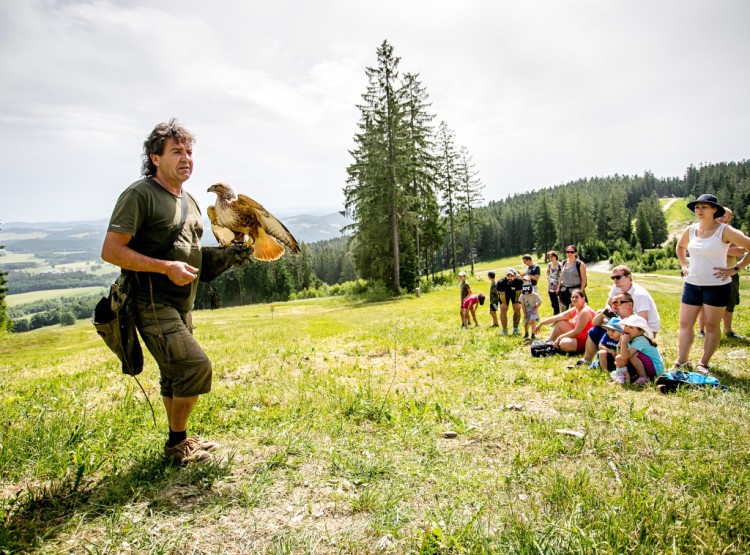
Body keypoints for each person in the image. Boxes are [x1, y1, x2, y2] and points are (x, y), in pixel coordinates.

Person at [101, 119, 251, 466]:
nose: (186, 158)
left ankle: (178, 440)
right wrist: (165, 268)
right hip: (151, 301)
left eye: (189, 151)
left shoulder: (192, 201)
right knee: (195, 367)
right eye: (176, 151)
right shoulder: (139, 195)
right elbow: (111, 250)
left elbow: (192, 254)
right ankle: (177, 442)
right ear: (155, 158)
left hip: (183, 303)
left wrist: (227, 257)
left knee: (174, 372)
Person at [675, 194, 750, 373]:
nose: (699, 211)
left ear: (714, 210)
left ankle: (703, 363)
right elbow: (680, 247)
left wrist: (736, 268)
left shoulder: (724, 231)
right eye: (697, 207)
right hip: (692, 284)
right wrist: (684, 265)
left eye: (704, 207)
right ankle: (682, 360)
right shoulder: (691, 230)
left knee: (711, 326)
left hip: (717, 286)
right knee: (685, 323)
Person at [697, 207, 747, 338]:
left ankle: (728, 330)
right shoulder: (708, 230)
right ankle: (701, 331)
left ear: (728, 219)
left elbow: (742, 251)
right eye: (719, 215)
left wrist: (721, 248)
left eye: (725, 216)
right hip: (709, 273)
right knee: (704, 303)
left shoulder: (733, 233)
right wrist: (728, 247)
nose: (721, 217)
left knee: (730, 302)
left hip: (731, 273)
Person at [568, 292, 635, 368]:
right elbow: (594, 323)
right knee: (594, 331)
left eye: (617, 303)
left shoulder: (634, 320)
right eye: (612, 303)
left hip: (624, 350)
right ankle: (586, 361)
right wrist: (602, 314)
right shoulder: (614, 317)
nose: (614, 306)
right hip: (611, 347)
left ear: (629, 305)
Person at [534, 289, 595, 353]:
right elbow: (557, 317)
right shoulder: (575, 309)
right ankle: (549, 342)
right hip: (578, 335)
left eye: (576, 297)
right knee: (560, 323)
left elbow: (577, 331)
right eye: (572, 297)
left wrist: (560, 337)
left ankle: (560, 347)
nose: (574, 299)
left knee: (563, 343)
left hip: (586, 340)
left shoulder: (585, 312)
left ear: (583, 299)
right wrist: (541, 323)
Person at [612, 315, 665, 386]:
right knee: (621, 357)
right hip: (646, 367)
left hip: (656, 369)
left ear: (640, 332)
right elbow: (620, 356)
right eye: (626, 326)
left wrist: (624, 342)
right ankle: (622, 376)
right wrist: (620, 343)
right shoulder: (629, 338)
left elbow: (625, 357)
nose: (626, 329)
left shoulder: (641, 340)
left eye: (631, 327)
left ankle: (644, 377)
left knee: (632, 355)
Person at [559, 244, 587, 311]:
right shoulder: (563, 262)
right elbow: (561, 275)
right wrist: (559, 287)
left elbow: (583, 279)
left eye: (572, 252)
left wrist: (580, 291)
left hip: (575, 290)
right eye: (568, 252)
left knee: (575, 311)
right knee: (563, 310)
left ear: (575, 252)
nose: (569, 253)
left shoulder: (580, 264)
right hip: (564, 290)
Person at [497, 268, 523, 335]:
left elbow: (518, 293)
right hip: (505, 294)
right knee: (503, 308)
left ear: (515, 276)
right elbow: (501, 294)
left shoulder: (519, 281)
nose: (510, 278)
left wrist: (517, 303)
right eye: (508, 276)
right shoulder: (501, 282)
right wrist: (504, 303)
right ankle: (504, 330)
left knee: (517, 308)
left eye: (512, 276)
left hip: (515, 294)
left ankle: (515, 328)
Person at [546, 251, 562, 315]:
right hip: (551, 285)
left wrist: (559, 286)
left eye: (552, 256)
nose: (551, 258)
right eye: (549, 257)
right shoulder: (549, 264)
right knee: (554, 303)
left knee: (561, 302)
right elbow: (547, 272)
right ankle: (556, 316)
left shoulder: (560, 265)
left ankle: (561, 315)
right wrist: (548, 278)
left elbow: (562, 275)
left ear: (555, 256)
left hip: (559, 284)